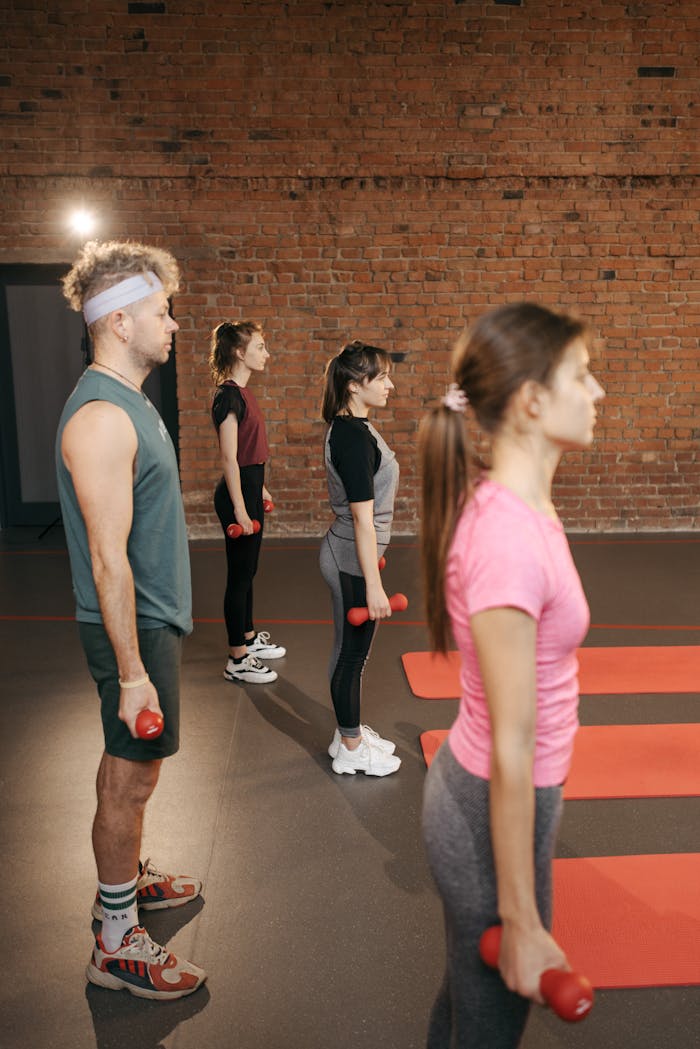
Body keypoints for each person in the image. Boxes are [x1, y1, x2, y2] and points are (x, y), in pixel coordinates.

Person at [418, 302, 605, 1047]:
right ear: (532, 400)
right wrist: (522, 922)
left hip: (501, 795)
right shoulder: (506, 539)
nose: (598, 394)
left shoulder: (526, 506)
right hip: (483, 804)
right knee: (492, 1021)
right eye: (582, 376)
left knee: (467, 1000)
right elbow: (511, 745)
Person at [56, 240, 206, 1000]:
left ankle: (125, 881)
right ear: (118, 321)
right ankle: (116, 941)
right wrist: (133, 673)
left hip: (148, 620)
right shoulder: (102, 420)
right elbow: (108, 561)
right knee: (131, 778)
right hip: (132, 629)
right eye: (160, 311)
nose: (172, 323)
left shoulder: (130, 397)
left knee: (132, 773)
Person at [319, 341, 402, 776]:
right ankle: (350, 746)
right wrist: (373, 585)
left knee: (349, 651)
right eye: (381, 377)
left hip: (352, 553)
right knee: (354, 655)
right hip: (351, 556)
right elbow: (362, 520)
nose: (390, 384)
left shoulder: (357, 427)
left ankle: (344, 731)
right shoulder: (351, 437)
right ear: (355, 385)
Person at [209, 321, 285, 684]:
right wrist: (240, 508)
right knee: (239, 576)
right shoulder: (228, 396)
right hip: (237, 497)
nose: (266, 353)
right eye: (260, 346)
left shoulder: (245, 393)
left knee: (249, 571)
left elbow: (249, 454)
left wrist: (261, 489)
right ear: (240, 352)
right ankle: (237, 659)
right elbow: (229, 459)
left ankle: (249, 639)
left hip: (251, 488)